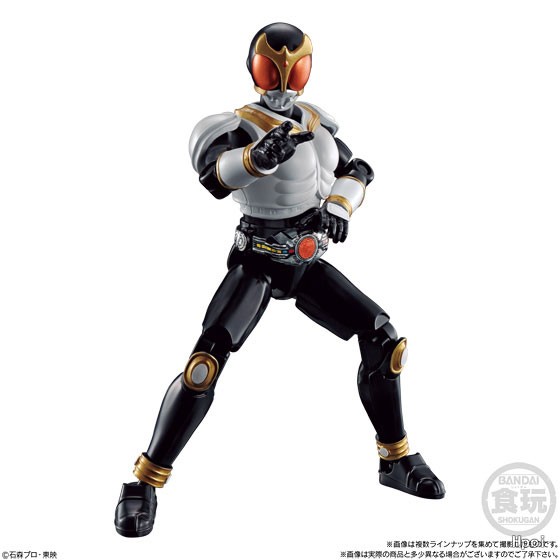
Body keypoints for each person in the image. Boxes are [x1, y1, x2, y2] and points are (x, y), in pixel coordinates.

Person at [114, 21, 445, 539]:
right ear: (254, 69)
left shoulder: (318, 123)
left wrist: (340, 205)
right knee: (204, 366)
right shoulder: (235, 126)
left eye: (296, 70)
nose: (285, 83)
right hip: (259, 262)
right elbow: (214, 179)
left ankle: (395, 459)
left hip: (307, 262)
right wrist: (256, 158)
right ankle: (145, 480)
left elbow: (358, 169)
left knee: (384, 340)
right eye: (273, 70)